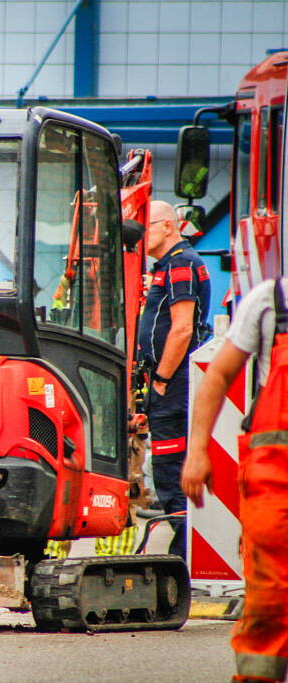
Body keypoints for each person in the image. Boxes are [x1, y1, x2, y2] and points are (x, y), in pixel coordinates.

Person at [184, 276, 288, 683]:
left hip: (273, 474)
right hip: (276, 476)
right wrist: (197, 451)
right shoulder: (271, 300)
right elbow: (218, 376)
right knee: (269, 594)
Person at [136, 200, 210, 560]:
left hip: (174, 383)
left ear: (167, 226)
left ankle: (187, 555)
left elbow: (181, 329)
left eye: (146, 225)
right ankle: (185, 551)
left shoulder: (180, 263)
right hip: (169, 381)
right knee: (168, 466)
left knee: (170, 466)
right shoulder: (168, 265)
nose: (141, 234)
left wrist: (162, 378)